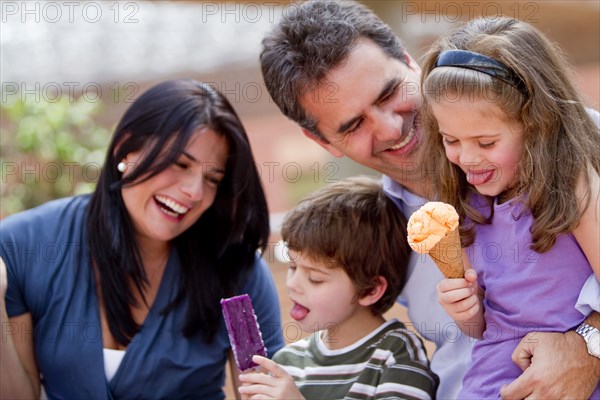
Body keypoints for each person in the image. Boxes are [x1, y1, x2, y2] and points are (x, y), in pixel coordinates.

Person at [259, 1, 600, 398]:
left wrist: (589, 344)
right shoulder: (380, 230)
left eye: (389, 93)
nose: (390, 128)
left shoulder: (572, 144)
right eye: (353, 125)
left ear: (410, 61)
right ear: (321, 142)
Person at [0, 79, 285, 399]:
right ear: (125, 148)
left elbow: (264, 389)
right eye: (180, 163)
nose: (194, 192)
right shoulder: (23, 245)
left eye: (212, 178)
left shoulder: (235, 270)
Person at [418, 16, 600, 398]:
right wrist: (468, 312)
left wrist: (589, 344)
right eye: (450, 139)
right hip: (489, 380)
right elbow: (487, 326)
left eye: (485, 143)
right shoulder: (466, 201)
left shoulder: (572, 181)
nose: (466, 158)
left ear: (537, 126)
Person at [238, 176, 439, 399]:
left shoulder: (396, 354)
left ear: (370, 290)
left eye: (315, 278)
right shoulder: (288, 363)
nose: (293, 284)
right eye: (293, 267)